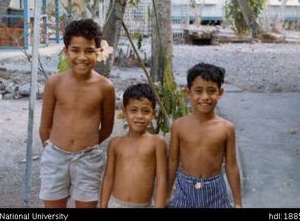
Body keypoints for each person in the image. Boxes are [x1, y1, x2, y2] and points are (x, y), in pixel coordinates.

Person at [39, 19, 116, 208]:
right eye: (75, 50)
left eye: (89, 50)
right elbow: (44, 126)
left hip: (88, 159)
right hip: (55, 156)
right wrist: (54, 150)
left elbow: (106, 128)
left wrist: (85, 145)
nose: (82, 57)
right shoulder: (54, 83)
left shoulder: (105, 87)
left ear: (98, 53)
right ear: (66, 52)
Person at [167, 63, 242, 208]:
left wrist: (238, 202)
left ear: (220, 93)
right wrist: (165, 194)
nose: (205, 97)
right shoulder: (179, 126)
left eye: (211, 91)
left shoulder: (226, 128)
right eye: (199, 91)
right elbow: (172, 163)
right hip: (185, 191)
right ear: (188, 92)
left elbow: (231, 166)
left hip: (216, 191)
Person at [100, 83, 167, 208]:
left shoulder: (157, 142)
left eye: (146, 111)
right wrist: (103, 204)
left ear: (153, 114)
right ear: (125, 112)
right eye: (133, 110)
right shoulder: (115, 144)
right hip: (115, 204)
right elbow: (108, 177)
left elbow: (162, 179)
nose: (139, 116)